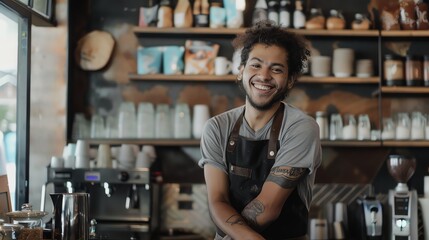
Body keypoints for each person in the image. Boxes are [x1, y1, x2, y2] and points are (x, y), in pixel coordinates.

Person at [198, 20, 322, 240]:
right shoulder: (216, 128)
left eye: (276, 69)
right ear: (241, 71)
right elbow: (218, 200)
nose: (264, 76)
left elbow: (267, 207)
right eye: (256, 65)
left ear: (290, 80)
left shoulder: (301, 128)